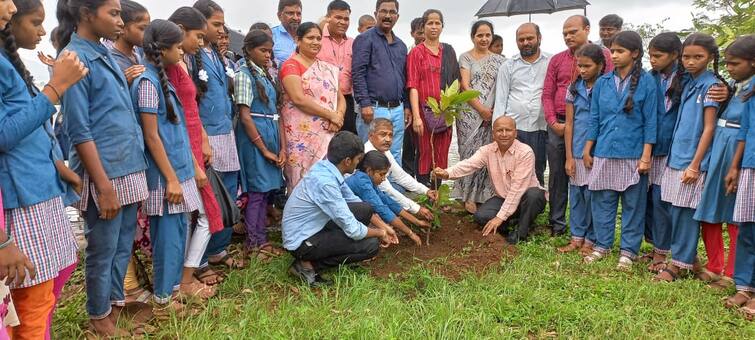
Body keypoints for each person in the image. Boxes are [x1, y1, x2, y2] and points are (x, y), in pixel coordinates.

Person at [57, 0, 150, 336]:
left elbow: (112, 110)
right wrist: (103, 185)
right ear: (86, 14)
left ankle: (116, 306)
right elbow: (79, 130)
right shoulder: (74, 59)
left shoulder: (106, 52)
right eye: (112, 13)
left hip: (128, 164)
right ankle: (99, 317)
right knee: (103, 248)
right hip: (105, 172)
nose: (120, 21)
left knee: (123, 243)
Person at [1, 0, 85, 338]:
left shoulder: (10, 61)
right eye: (35, 22)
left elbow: (33, 126)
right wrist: (54, 88)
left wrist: (57, 165)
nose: (41, 31)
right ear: (10, 21)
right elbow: (4, 134)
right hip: (22, 196)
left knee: (58, 273)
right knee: (32, 296)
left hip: (40, 184)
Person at [132, 19, 208, 312]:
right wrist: (172, 179)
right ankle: (163, 299)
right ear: (162, 50)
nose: (181, 52)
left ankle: (173, 291)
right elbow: (152, 137)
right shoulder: (147, 84)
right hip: (166, 177)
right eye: (177, 46)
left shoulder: (161, 80)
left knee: (178, 236)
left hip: (179, 170)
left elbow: (175, 132)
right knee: (167, 240)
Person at [655, 33, 730, 282]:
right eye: (687, 56)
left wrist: (695, 165)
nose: (691, 62)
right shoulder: (688, 81)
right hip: (677, 155)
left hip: (693, 160)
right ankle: (691, 261)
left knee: (684, 212)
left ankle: (679, 265)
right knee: (673, 209)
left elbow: (708, 128)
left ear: (710, 57)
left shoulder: (711, 86)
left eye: (698, 57)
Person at [282, 132, 398, 287]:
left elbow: (354, 201)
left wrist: (383, 226)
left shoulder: (327, 168)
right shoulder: (326, 183)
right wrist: (380, 233)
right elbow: (354, 231)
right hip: (301, 241)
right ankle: (306, 267)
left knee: (365, 209)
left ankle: (325, 254)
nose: (358, 164)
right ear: (347, 161)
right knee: (370, 245)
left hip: (313, 225)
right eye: (358, 159)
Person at [582, 31, 657, 270]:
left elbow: (650, 122)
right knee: (602, 201)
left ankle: (628, 251)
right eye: (612, 51)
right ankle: (602, 245)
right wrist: (587, 149)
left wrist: (646, 156)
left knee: (633, 205)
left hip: (633, 153)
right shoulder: (603, 82)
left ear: (634, 53)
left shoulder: (647, 82)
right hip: (604, 151)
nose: (614, 55)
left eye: (620, 51)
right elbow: (594, 119)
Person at [166, 6, 226, 293]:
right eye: (198, 36)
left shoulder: (182, 63)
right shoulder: (168, 68)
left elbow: (191, 110)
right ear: (179, 29)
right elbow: (173, 121)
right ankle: (185, 278)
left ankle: (187, 274)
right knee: (200, 214)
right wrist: (193, 163)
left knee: (198, 214)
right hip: (183, 151)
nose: (201, 43)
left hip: (193, 144)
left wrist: (202, 138)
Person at [542, 15, 614, 236]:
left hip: (589, 125)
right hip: (560, 124)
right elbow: (547, 93)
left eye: (573, 31)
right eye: (565, 33)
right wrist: (553, 122)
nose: (568, 36)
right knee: (559, 173)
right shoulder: (556, 60)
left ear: (587, 29)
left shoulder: (603, 55)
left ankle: (590, 231)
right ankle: (558, 224)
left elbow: (608, 87)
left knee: (589, 176)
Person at [433, 117, 546, 244]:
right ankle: (511, 223)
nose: (503, 134)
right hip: (503, 197)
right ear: (493, 134)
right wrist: (447, 173)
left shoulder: (525, 152)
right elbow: (468, 165)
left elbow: (517, 189)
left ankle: (521, 233)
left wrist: (499, 217)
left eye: (508, 130)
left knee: (534, 195)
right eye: (499, 130)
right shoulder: (487, 150)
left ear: (515, 133)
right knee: (480, 216)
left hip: (525, 197)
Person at [694, 37, 751, 288]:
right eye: (727, 63)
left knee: (736, 214)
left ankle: (731, 272)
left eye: (735, 63)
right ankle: (714, 265)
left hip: (740, 149)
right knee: (710, 207)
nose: (730, 68)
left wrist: (736, 165)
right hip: (720, 145)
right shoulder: (730, 85)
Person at [191, 0, 243, 271]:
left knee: (228, 191)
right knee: (209, 196)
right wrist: (202, 140)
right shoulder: (190, 54)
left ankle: (218, 249)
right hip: (206, 135)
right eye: (216, 24)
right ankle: (198, 260)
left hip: (226, 131)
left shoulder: (216, 55)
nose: (222, 29)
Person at [235, 29, 287, 260]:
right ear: (248, 50)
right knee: (257, 191)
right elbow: (245, 116)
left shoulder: (266, 74)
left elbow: (277, 113)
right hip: (255, 138)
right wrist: (264, 149)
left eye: (270, 51)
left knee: (267, 191)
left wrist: (282, 147)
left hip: (271, 133)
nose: (268, 55)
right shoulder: (243, 75)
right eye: (262, 50)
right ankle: (254, 242)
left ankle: (262, 238)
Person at [280, 22, 345, 192]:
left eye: (318, 38)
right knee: (301, 181)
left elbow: (339, 97)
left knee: (326, 180)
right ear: (298, 40)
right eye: (310, 38)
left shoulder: (326, 68)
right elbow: (298, 99)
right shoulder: (291, 65)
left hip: (327, 131)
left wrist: (338, 117)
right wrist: (331, 115)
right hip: (300, 135)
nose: (316, 42)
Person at [558, 44, 606, 255]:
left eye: (587, 66)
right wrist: (569, 156)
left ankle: (592, 239)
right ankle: (576, 237)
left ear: (600, 65)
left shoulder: (605, 88)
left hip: (597, 150)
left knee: (593, 196)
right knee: (576, 194)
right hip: (576, 148)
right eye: (579, 66)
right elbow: (569, 124)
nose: (583, 70)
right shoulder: (573, 88)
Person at [456, 20, 505, 214]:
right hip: (469, 113)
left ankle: (483, 195)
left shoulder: (500, 61)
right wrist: (480, 109)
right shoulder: (465, 58)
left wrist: (492, 112)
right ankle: (467, 196)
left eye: (487, 35)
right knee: (468, 154)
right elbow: (465, 86)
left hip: (492, 115)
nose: (484, 39)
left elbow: (502, 89)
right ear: (473, 37)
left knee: (487, 154)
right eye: (480, 35)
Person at [407, 9, 460, 188]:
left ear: (442, 26)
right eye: (430, 23)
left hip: (445, 112)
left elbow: (455, 84)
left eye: (438, 23)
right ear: (424, 26)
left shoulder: (449, 51)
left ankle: (437, 195)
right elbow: (413, 86)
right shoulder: (417, 53)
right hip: (424, 112)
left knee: (442, 154)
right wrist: (416, 117)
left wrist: (452, 111)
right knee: (424, 154)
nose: (434, 27)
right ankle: (425, 195)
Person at [352, 0, 409, 165]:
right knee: (371, 157)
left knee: (395, 154)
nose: (388, 16)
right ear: (376, 13)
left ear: (397, 17)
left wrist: (406, 106)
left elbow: (403, 78)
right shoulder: (364, 39)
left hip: (397, 109)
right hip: (374, 109)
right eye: (384, 11)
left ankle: (392, 191)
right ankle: (370, 191)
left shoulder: (401, 46)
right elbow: (358, 73)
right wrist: (364, 104)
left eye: (392, 12)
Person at [495, 23, 550, 185]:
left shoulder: (551, 61)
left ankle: (535, 205)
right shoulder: (508, 66)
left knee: (538, 168)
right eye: (521, 39)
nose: (526, 42)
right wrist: (498, 132)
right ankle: (513, 207)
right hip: (515, 128)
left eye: (530, 38)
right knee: (511, 169)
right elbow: (500, 100)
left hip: (541, 127)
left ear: (539, 38)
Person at [724, 34, 755, 319]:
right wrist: (735, 167)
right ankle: (745, 286)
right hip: (749, 165)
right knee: (746, 226)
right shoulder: (746, 92)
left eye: (734, 63)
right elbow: (744, 132)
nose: (729, 68)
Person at [346, 151, 430, 246]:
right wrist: (410, 233)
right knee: (374, 214)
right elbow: (383, 210)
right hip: (345, 220)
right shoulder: (363, 184)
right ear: (369, 171)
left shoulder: (365, 179)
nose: (384, 179)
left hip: (352, 214)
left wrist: (417, 222)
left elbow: (388, 201)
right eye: (381, 174)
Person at [365, 118, 437, 221]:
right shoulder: (370, 155)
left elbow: (401, 176)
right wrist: (417, 209)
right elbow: (387, 190)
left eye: (390, 135)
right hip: (362, 200)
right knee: (391, 192)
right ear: (371, 136)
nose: (388, 139)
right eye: (383, 134)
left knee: (399, 188)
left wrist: (426, 191)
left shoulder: (384, 151)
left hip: (376, 192)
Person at [318, 1, 356, 134]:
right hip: (322, 101)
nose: (343, 22)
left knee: (347, 144)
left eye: (346, 19)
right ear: (328, 17)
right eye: (338, 17)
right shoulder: (317, 40)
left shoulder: (353, 43)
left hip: (347, 100)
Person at [105, 0, 147, 83]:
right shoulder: (111, 60)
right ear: (122, 28)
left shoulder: (137, 55)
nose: (147, 34)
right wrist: (123, 82)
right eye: (142, 28)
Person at [272, 0, 301, 66]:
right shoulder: (270, 35)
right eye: (290, 13)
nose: (296, 18)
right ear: (279, 15)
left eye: (298, 14)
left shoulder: (307, 36)